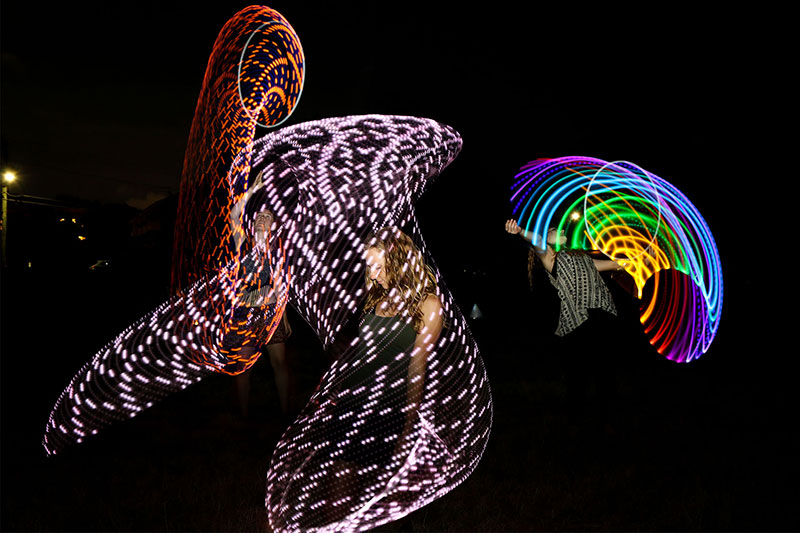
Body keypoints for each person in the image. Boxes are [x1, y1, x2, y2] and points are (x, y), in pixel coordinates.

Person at [323, 226, 444, 522]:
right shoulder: (376, 298)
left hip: (389, 406)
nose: (372, 273)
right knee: (340, 483)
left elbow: (418, 366)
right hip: (353, 401)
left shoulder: (428, 305)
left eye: (377, 265)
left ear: (398, 259)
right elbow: (363, 353)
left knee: (390, 494)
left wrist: (409, 422)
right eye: (368, 265)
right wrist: (337, 390)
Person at [505, 219, 626, 434]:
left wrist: (643, 256)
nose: (559, 229)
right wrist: (520, 231)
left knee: (605, 373)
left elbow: (616, 264)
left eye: (559, 228)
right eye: (553, 230)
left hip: (603, 315)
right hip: (579, 321)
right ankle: (574, 425)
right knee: (578, 376)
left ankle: (607, 423)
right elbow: (538, 240)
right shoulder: (550, 257)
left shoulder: (582, 257)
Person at [223, 175, 293, 417]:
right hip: (245, 315)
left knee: (280, 364)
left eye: (268, 218)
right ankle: (242, 417)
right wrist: (252, 189)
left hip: (270, 315)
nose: (264, 219)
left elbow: (280, 286)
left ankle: (285, 413)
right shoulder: (242, 244)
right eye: (260, 216)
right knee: (243, 369)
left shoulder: (277, 252)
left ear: (273, 226)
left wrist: (282, 316)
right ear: (253, 224)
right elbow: (233, 215)